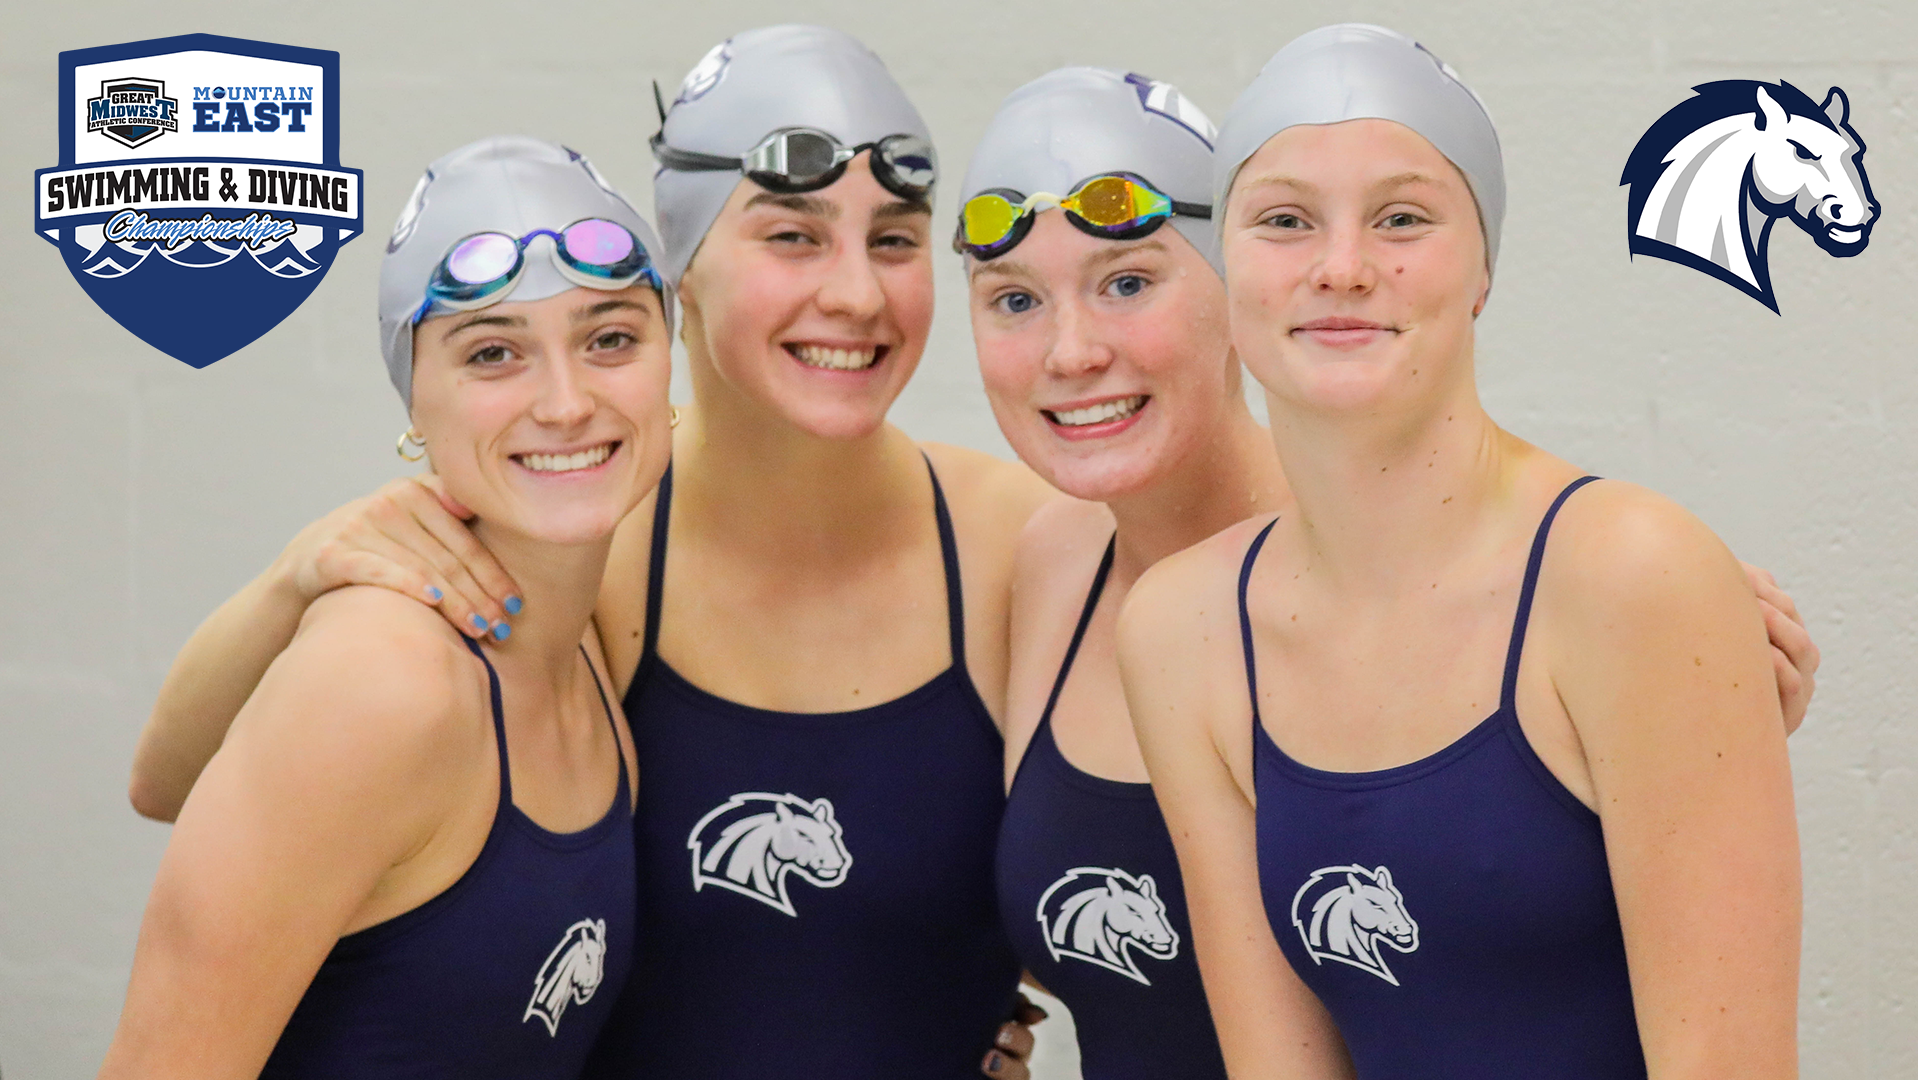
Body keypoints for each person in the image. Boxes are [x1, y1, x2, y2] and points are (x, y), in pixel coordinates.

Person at [126, 26, 1052, 1080]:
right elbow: (188, 786)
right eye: (793, 236)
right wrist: (299, 574)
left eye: (893, 239)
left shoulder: (1024, 546)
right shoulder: (533, 576)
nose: (856, 293)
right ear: (684, 274)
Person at [966, 64, 1817, 1080]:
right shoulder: (1098, 586)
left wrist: (1685, 681)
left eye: (1128, 282)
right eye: (1013, 298)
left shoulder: (1610, 573)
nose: (1072, 351)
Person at [98, 136, 673, 1079]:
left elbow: (169, 786)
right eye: (494, 353)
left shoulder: (584, 643)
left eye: (609, 338)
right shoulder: (384, 682)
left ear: (668, 363)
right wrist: (296, 575)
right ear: (416, 405)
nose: (568, 403)